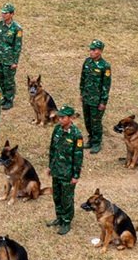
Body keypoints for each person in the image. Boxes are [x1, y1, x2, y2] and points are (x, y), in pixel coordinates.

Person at [48, 105, 84, 233]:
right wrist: (50, 166)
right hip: (56, 171)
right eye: (59, 117)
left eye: (63, 117)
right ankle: (59, 217)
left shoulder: (76, 135)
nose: (60, 120)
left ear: (70, 118)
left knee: (66, 199)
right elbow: (52, 148)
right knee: (57, 196)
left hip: (68, 174)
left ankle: (66, 221)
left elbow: (78, 157)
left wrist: (75, 175)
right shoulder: (57, 129)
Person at [80, 41, 113, 154]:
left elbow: (106, 86)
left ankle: (96, 143)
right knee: (87, 121)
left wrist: (103, 102)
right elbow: (83, 78)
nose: (91, 52)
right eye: (91, 49)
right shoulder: (87, 62)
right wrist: (81, 93)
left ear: (100, 51)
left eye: (94, 50)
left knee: (96, 122)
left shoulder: (105, 66)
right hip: (86, 98)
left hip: (97, 100)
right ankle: (90, 139)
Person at [0, 4, 23, 109]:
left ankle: (9, 100)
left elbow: (17, 47)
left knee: (9, 81)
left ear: (12, 14)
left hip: (9, 60)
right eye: (2, 12)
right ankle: (5, 97)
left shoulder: (17, 29)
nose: (3, 15)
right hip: (0, 58)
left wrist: (15, 62)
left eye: (5, 13)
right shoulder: (0, 25)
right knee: (1, 79)